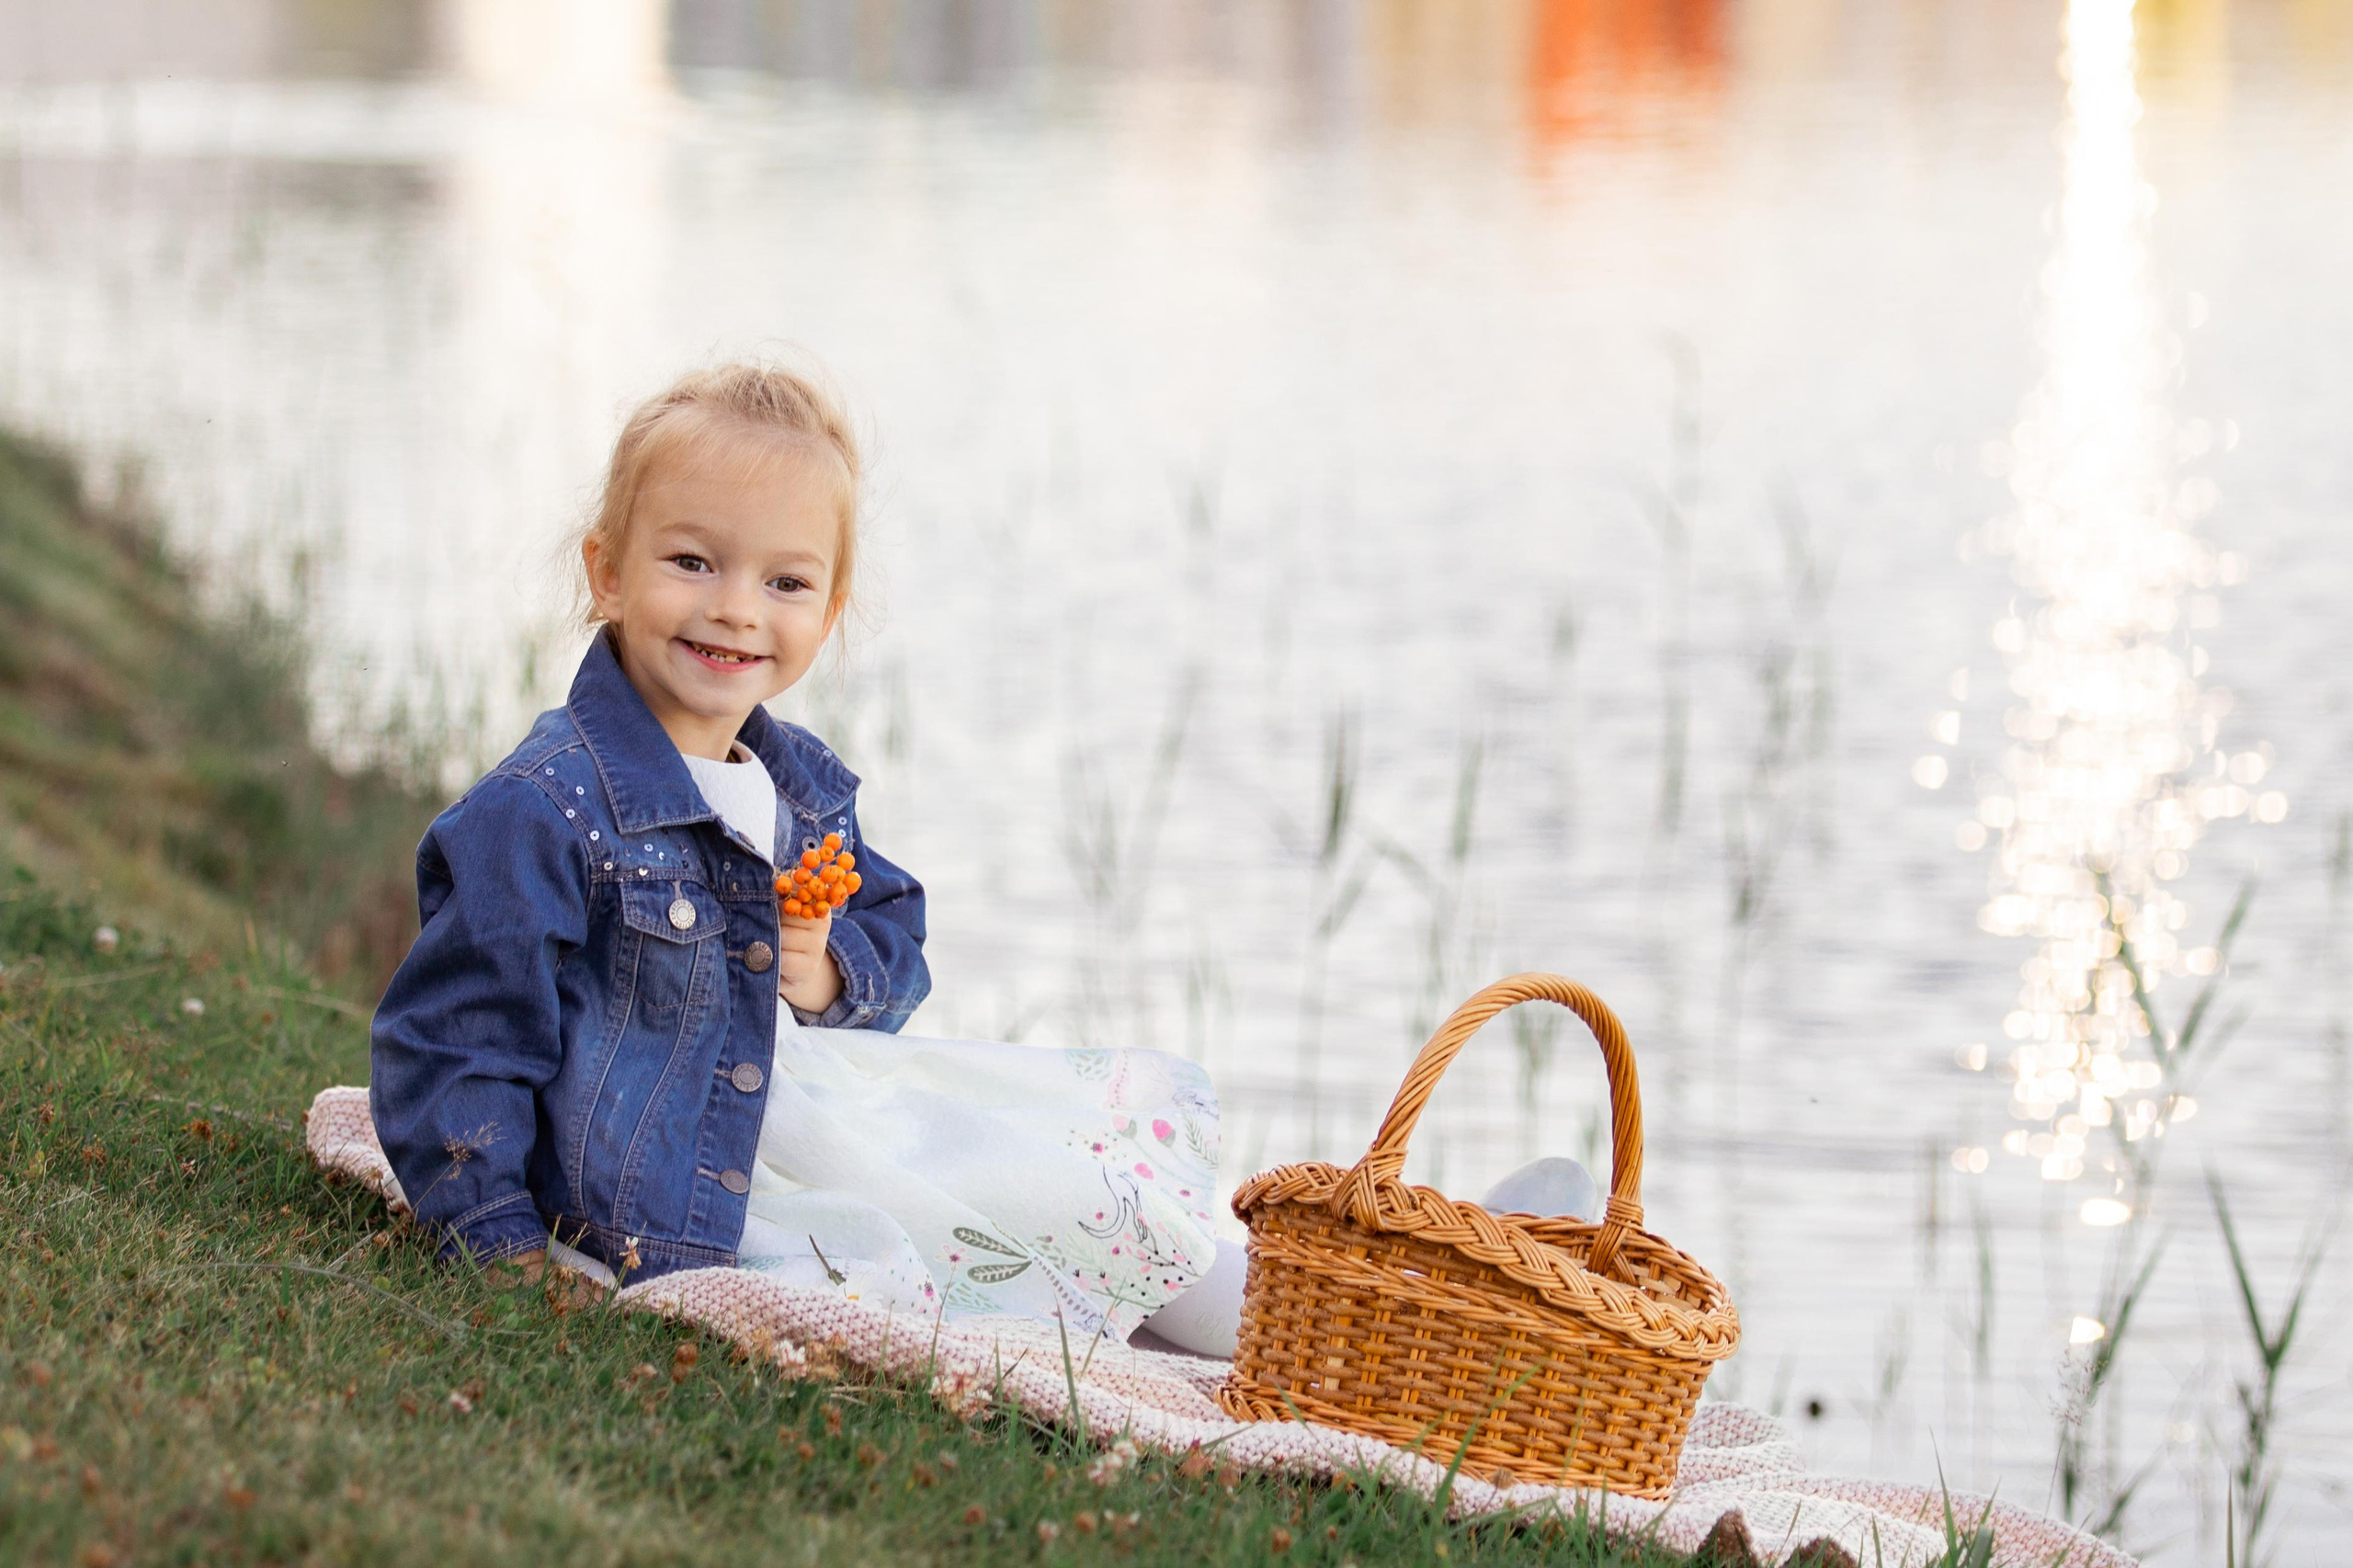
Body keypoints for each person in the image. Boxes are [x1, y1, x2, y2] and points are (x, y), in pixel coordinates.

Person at [368, 361, 1236, 1352]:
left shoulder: (802, 790)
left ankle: (1296, 1323)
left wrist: (826, 970)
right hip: (686, 1190)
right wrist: (499, 1244)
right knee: (967, 1243)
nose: (737, 607)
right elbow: (455, 1040)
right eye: (693, 561)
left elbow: (895, 934)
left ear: (828, 610)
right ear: (607, 571)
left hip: (816, 1122)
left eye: (784, 581)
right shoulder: (544, 808)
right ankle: (1220, 1319)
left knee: (1079, 1189)